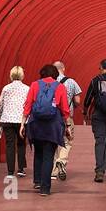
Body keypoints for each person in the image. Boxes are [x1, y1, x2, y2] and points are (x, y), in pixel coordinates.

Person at [22, 63, 70, 196]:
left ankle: (37, 181)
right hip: (53, 125)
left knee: (38, 152)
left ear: (42, 73)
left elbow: (28, 104)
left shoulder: (34, 85)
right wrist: (67, 126)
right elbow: (65, 108)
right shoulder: (60, 87)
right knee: (49, 155)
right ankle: (45, 188)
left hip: (36, 123)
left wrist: (22, 123)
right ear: (55, 74)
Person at [0, 66, 29, 179]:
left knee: (10, 145)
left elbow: (0, 105)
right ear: (22, 75)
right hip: (21, 121)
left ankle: (10, 171)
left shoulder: (6, 88)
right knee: (21, 144)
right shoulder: (26, 89)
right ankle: (20, 169)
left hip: (7, 119)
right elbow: (28, 105)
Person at [53, 60, 82, 181]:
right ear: (63, 69)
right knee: (67, 141)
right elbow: (78, 101)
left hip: (52, 117)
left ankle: (53, 171)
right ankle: (61, 161)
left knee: (53, 142)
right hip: (66, 116)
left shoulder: (49, 82)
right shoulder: (71, 82)